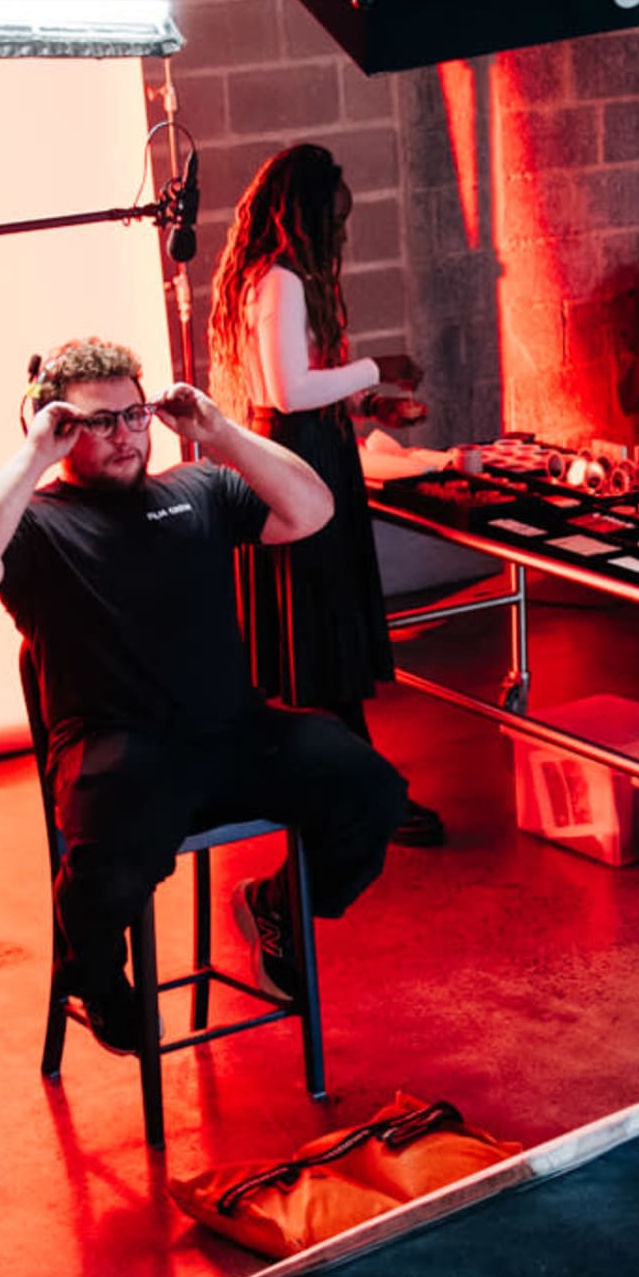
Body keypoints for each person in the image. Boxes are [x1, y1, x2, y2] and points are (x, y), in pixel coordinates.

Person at [0, 335, 408, 1056]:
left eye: (134, 415)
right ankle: (93, 971)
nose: (124, 435)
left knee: (369, 786)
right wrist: (32, 457)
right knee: (115, 835)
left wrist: (218, 432)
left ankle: (276, 910)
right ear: (57, 427)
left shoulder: (197, 490)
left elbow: (312, 509)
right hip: (118, 752)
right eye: (98, 422)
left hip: (232, 734)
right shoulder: (38, 525)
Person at [206, 142, 445, 846]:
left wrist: (368, 404)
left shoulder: (269, 279)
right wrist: (381, 364)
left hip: (300, 450)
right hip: (297, 461)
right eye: (334, 220)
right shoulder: (279, 281)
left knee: (311, 636)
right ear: (303, 214)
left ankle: (348, 780)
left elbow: (298, 385)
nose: (340, 234)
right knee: (321, 630)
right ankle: (368, 789)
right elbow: (289, 392)